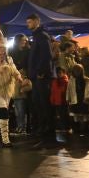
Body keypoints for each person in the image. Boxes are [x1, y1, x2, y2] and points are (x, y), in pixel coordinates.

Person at [26, 13, 56, 141]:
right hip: (36, 76)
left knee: (44, 103)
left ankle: (49, 128)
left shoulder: (42, 36)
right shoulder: (36, 36)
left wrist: (41, 71)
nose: (28, 24)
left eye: (30, 22)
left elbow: (46, 55)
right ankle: (42, 126)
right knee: (38, 102)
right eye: (27, 22)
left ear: (37, 21)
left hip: (41, 76)